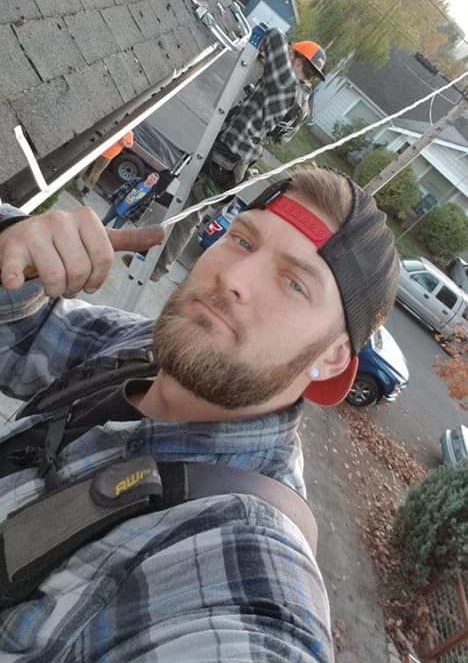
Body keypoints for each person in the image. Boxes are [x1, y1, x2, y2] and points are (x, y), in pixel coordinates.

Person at [0, 166, 398, 661]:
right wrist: (13, 247)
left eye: (295, 284)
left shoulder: (245, 559)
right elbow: (22, 334)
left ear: (332, 359)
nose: (232, 277)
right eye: (244, 241)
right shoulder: (138, 349)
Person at [150, 29, 327, 281]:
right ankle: (154, 259)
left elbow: (274, 36)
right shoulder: (304, 105)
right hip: (238, 163)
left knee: (189, 211)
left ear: (297, 61)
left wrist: (277, 48)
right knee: (189, 206)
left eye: (291, 56)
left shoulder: (285, 84)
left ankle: (157, 267)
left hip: (228, 155)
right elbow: (280, 137)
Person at [80, 130, 135, 196]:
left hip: (108, 155)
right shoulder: (121, 126)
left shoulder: (129, 133)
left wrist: (124, 143)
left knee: (96, 172)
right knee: (84, 162)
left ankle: (85, 190)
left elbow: (130, 145)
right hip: (100, 148)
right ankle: (76, 176)